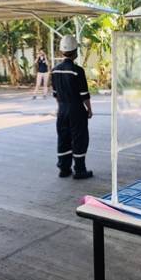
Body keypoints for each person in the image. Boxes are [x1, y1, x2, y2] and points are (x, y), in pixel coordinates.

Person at [51, 35, 93, 179]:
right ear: (75, 51)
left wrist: (60, 109)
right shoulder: (77, 70)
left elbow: (56, 94)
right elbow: (84, 95)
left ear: (61, 51)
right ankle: (80, 170)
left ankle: (64, 169)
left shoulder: (54, 70)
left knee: (63, 138)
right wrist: (89, 109)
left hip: (62, 110)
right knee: (79, 138)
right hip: (76, 110)